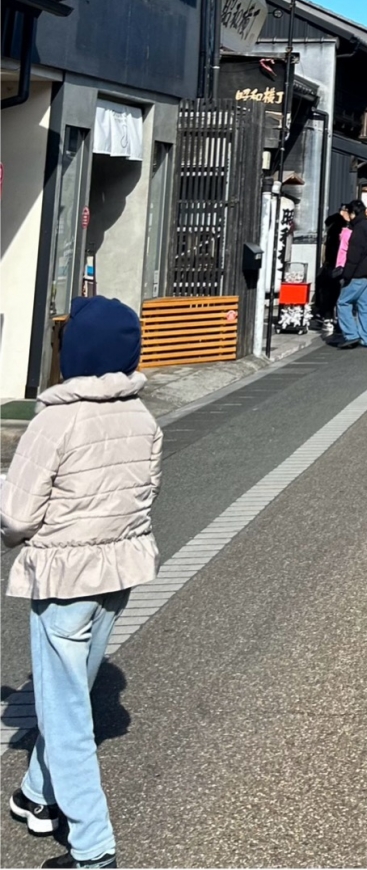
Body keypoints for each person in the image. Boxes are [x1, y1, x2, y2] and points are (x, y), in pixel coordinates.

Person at [2, 296, 162, 870]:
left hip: (65, 576)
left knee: (65, 711)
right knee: (72, 693)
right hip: (119, 571)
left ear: (73, 355)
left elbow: (17, 515)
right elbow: (146, 495)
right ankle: (38, 794)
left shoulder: (55, 420)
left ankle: (93, 846)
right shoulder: (141, 418)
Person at [331, 200, 367, 348]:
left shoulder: (358, 229)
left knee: (343, 302)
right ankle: (366, 338)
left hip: (358, 273)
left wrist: (346, 274)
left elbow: (354, 255)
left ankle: (351, 334)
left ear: (353, 213)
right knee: (365, 305)